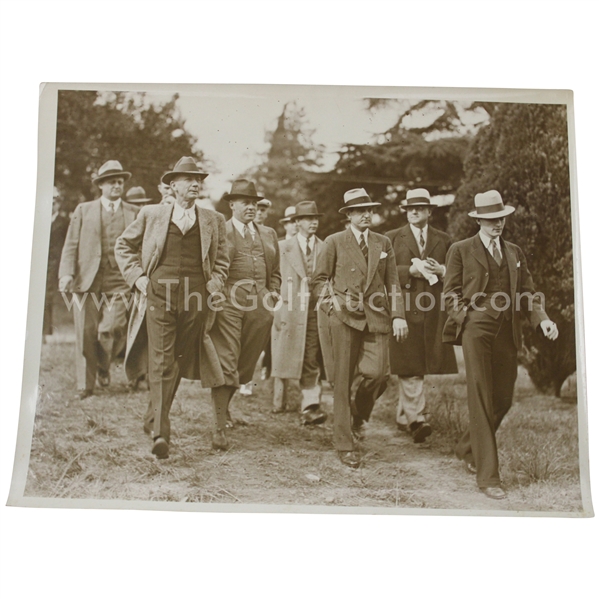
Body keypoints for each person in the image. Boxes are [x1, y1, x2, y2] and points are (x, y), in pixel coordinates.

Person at [443, 190, 559, 499]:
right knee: (481, 396)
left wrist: (542, 319)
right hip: (476, 330)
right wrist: (466, 316)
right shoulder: (461, 249)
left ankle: (467, 447)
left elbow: (529, 292)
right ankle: (488, 477)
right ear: (479, 220)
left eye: (502, 218)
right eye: (492, 219)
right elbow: (450, 291)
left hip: (508, 331)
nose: (498, 224)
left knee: (504, 398)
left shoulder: (515, 252)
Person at [115, 156, 229, 459]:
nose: (195, 184)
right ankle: (161, 433)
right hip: (158, 294)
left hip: (196, 299)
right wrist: (137, 277)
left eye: (199, 180)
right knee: (162, 359)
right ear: (173, 185)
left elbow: (222, 261)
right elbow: (123, 246)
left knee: (178, 359)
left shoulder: (212, 220)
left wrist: (213, 285)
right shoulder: (152, 213)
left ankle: (154, 415)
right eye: (188, 179)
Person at [312, 188, 408, 468]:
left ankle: (358, 415)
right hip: (343, 318)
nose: (366, 215)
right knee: (341, 382)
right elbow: (318, 280)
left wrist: (398, 315)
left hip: (376, 316)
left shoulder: (382, 243)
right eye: (360, 211)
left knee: (378, 375)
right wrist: (333, 306)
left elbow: (393, 282)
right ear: (350, 215)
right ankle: (345, 445)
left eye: (369, 210)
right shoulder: (334, 241)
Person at [58, 160, 140, 399]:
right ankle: (86, 385)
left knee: (112, 327)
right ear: (101, 185)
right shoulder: (84, 210)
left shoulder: (133, 212)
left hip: (119, 279)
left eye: (120, 181)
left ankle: (103, 365)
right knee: (86, 332)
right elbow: (71, 244)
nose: (117, 185)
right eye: (112, 181)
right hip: (87, 279)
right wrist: (66, 273)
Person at [208, 179, 281, 448]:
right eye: (245, 202)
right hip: (228, 302)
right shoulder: (220, 231)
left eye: (254, 202)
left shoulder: (268, 234)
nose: (251, 207)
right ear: (232, 205)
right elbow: (210, 267)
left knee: (245, 363)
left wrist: (273, 292)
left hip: (261, 307)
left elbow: (275, 271)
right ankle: (218, 428)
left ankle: (225, 405)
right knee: (226, 360)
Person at [386, 188, 457, 443]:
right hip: (403, 308)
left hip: (432, 310)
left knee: (420, 365)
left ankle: (405, 416)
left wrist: (442, 269)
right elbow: (382, 271)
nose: (413, 212)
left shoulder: (444, 240)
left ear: (429, 211)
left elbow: (457, 272)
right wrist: (409, 272)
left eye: (419, 208)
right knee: (410, 366)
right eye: (409, 208)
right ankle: (417, 419)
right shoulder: (392, 238)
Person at [271, 201, 327, 424]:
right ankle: (279, 401)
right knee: (285, 355)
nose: (313, 222)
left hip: (315, 311)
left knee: (311, 356)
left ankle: (310, 405)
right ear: (297, 222)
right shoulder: (282, 247)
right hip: (289, 310)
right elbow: (274, 276)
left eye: (315, 218)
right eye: (307, 219)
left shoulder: (325, 247)